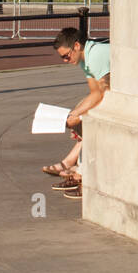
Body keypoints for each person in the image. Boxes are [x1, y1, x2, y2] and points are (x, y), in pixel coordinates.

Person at [47, 29, 111, 198]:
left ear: (76, 46)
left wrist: (81, 117)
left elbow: (106, 92)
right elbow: (95, 92)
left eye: (66, 55)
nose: (66, 60)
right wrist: (72, 115)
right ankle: (81, 174)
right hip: (112, 93)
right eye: (62, 57)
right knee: (82, 120)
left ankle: (83, 177)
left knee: (89, 125)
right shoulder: (85, 58)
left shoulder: (96, 55)